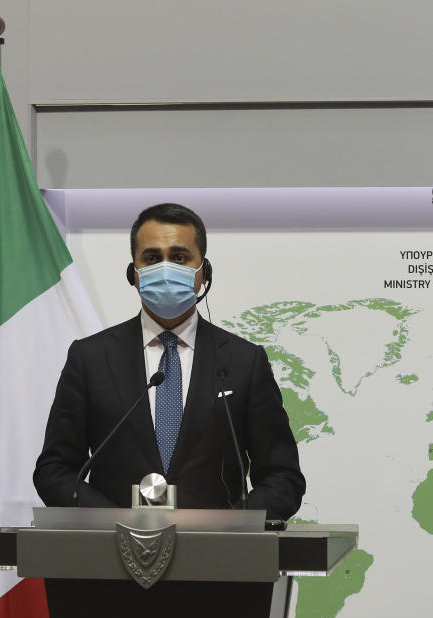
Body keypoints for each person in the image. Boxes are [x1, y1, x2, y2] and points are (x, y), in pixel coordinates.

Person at [34, 203, 305, 519]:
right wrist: (112, 522)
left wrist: (231, 528)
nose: (165, 269)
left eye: (179, 257)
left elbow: (282, 477)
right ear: (133, 274)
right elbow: (55, 470)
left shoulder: (245, 362)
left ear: (203, 272)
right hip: (110, 556)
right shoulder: (90, 358)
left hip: (216, 560)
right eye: (151, 258)